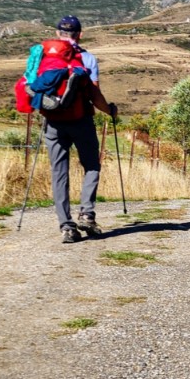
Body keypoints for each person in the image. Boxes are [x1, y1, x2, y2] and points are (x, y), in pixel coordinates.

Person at [29, 16, 117, 243]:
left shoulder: (43, 56)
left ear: (57, 33)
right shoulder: (87, 58)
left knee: (59, 172)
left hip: (53, 122)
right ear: (80, 34)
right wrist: (110, 111)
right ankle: (86, 214)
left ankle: (66, 227)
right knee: (92, 165)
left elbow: (31, 86)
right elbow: (94, 94)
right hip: (81, 120)